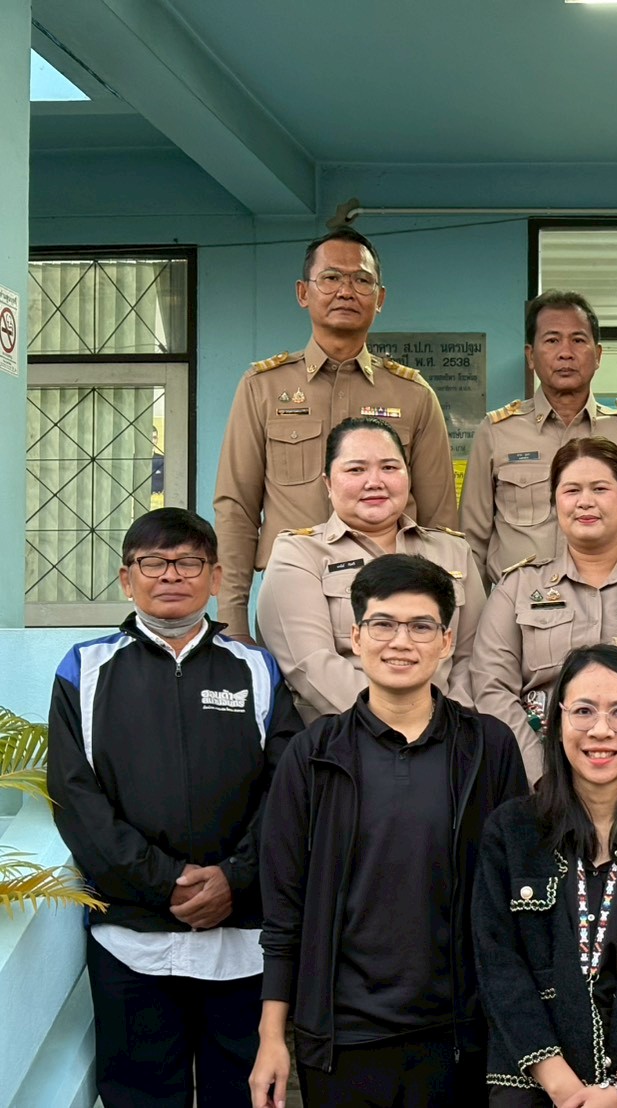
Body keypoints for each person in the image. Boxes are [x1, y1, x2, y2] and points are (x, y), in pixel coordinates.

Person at [251, 555, 527, 1108]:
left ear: (446, 641)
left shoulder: (488, 748)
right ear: (355, 636)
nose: (401, 641)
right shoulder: (314, 755)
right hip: (343, 1037)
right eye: (382, 624)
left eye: (421, 626)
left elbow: (519, 893)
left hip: (459, 1035)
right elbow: (284, 913)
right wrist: (271, 1037)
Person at [48, 507, 302, 1108]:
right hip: (132, 940)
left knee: (240, 1097)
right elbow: (75, 796)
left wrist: (234, 878)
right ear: (125, 578)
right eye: (153, 563)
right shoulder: (84, 669)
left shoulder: (256, 668)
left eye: (189, 562)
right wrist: (165, 883)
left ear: (215, 578)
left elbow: (288, 791)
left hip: (241, 940)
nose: (171, 575)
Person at [472, 644, 617, 1108]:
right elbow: (498, 964)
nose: (601, 730)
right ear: (557, 721)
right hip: (532, 1088)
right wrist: (562, 1086)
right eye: (583, 711)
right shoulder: (512, 830)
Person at [214, 227, 457, 641]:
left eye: (361, 280)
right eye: (331, 278)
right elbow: (236, 508)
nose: (346, 290)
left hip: (394, 601)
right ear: (303, 292)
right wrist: (231, 620)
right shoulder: (263, 388)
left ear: (379, 299)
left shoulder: (413, 393)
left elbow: (439, 521)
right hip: (291, 597)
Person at [257, 416, 484, 724]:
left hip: (446, 738)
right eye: (356, 469)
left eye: (389, 468)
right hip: (342, 739)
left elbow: (471, 659)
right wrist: (401, 724)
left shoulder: (451, 551)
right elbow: (310, 665)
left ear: (407, 475)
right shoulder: (299, 554)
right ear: (328, 482)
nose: (375, 481)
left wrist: (445, 729)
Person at [470, 436, 617, 781]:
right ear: (554, 503)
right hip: (542, 773)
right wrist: (541, 774)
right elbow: (492, 688)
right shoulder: (518, 587)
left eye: (600, 489)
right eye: (571, 491)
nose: (585, 502)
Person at [460, 290, 617, 587]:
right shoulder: (497, 432)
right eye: (552, 340)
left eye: (578, 340)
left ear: (598, 354)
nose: (566, 353)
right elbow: (471, 542)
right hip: (516, 607)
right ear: (531, 356)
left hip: (605, 602)